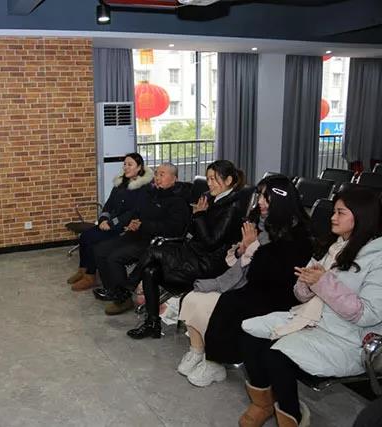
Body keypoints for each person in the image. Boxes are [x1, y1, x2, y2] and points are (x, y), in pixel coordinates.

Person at [239, 187, 382, 427]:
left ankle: (292, 417)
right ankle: (263, 403)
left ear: (361, 217)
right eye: (334, 211)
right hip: (312, 318)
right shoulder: (334, 246)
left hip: (349, 338)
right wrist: (307, 285)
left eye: (340, 212)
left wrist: (323, 283)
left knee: (276, 357)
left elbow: (368, 314)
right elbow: (300, 294)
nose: (332, 218)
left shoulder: (377, 258)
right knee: (249, 333)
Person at [181, 175, 313, 387]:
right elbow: (241, 259)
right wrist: (242, 250)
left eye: (266, 198)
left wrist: (252, 248)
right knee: (194, 297)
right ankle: (197, 350)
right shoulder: (259, 222)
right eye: (259, 196)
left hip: (277, 295)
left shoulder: (297, 234)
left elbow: (267, 275)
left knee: (229, 303)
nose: (260, 202)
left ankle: (216, 361)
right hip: (251, 283)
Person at [126, 160, 246, 340]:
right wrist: (197, 216)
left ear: (228, 180)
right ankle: (152, 324)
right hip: (194, 254)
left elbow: (211, 242)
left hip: (209, 264)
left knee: (152, 251)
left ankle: (127, 286)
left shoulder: (233, 207)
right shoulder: (211, 198)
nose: (209, 183)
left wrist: (200, 215)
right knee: (150, 270)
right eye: (208, 179)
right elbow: (191, 231)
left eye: (213, 179)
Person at [92, 163, 190, 315]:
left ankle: (123, 299)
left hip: (156, 242)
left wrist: (143, 225)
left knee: (114, 257)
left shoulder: (178, 201)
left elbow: (172, 229)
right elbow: (138, 212)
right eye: (156, 174)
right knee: (100, 250)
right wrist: (134, 222)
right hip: (138, 234)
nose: (157, 178)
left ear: (174, 179)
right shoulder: (152, 194)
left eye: (162, 174)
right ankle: (113, 289)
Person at [68, 152, 153, 291]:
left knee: (93, 241)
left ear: (139, 167)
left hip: (123, 227)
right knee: (85, 237)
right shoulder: (120, 183)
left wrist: (111, 223)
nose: (126, 167)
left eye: (130, 164)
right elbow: (108, 205)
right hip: (109, 223)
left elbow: (132, 213)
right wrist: (103, 219)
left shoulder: (144, 188)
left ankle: (91, 277)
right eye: (124, 164)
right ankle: (83, 270)